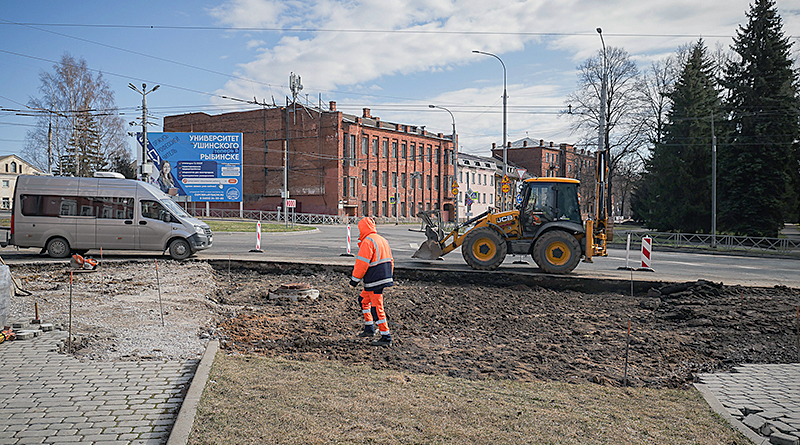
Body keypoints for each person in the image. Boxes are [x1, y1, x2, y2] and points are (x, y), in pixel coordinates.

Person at [349, 217, 394, 346]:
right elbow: (391, 259)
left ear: (362, 229)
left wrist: (354, 281)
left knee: (376, 307)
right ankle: (369, 328)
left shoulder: (368, 241)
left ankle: (386, 336)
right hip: (382, 277)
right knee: (363, 300)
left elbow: (361, 264)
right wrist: (389, 275)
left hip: (374, 279)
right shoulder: (381, 239)